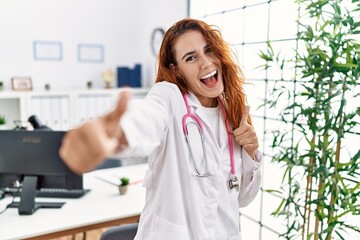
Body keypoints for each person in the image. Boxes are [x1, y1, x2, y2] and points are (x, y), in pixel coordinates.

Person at [60, 18, 262, 240]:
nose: (205, 63)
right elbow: (146, 118)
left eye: (209, 50)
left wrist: (251, 152)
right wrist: (116, 133)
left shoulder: (233, 116)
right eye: (191, 57)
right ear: (176, 70)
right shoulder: (169, 97)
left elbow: (242, 198)